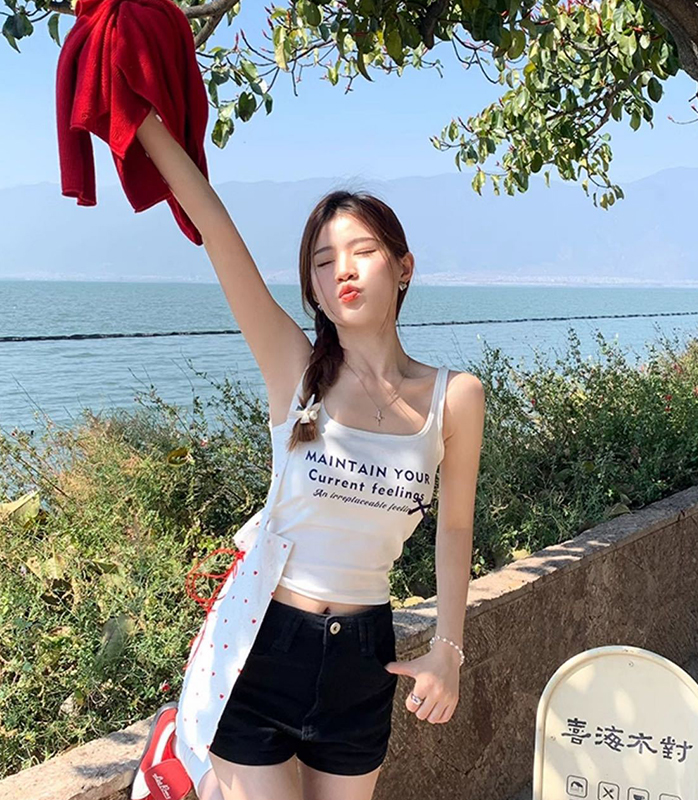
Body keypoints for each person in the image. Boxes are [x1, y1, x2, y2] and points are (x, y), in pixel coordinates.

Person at [133, 107, 485, 800]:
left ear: (404, 267)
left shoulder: (456, 397)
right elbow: (218, 232)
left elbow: (455, 527)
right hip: (259, 650)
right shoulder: (297, 374)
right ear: (314, 291)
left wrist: (449, 648)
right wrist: (141, 119)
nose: (342, 270)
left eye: (362, 251)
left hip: (362, 661)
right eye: (323, 262)